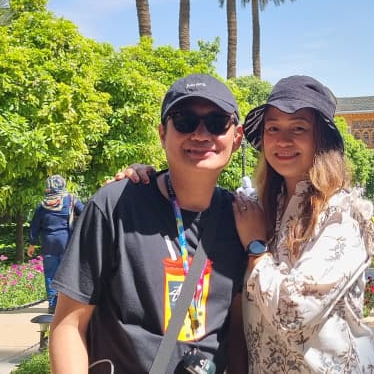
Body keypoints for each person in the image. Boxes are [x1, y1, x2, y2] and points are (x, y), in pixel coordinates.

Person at [49, 74, 248, 373]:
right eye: (184, 120)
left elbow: (237, 332)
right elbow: (69, 324)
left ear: (237, 137)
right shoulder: (115, 205)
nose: (200, 134)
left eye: (217, 122)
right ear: (162, 133)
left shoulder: (241, 219)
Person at [232, 75, 374, 372]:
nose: (283, 140)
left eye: (298, 128)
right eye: (273, 128)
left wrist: (256, 249)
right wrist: (144, 184)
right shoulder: (261, 208)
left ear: (320, 140)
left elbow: (294, 310)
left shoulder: (342, 214)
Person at [28, 175, 85, 314]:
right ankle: (68, 304)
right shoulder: (70, 199)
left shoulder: (42, 205)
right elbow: (85, 213)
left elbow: (34, 226)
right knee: (68, 273)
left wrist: (32, 244)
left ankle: (53, 305)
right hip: (66, 242)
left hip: (48, 244)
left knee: (50, 274)